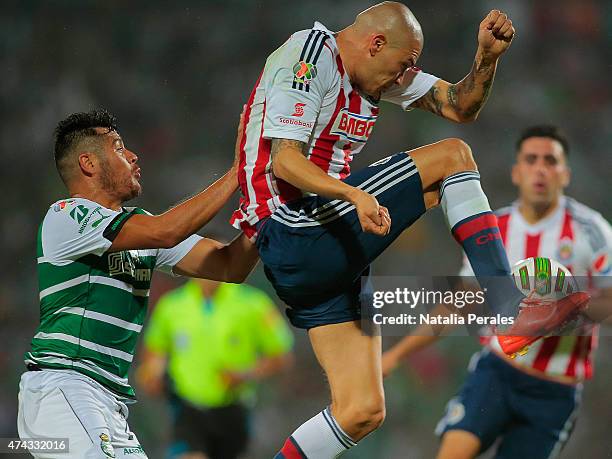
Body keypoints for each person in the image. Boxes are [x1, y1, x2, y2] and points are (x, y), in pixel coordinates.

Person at [228, 2, 590, 457]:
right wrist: (356, 196)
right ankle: (507, 307)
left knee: (361, 410)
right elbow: (285, 159)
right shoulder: (312, 54)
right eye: (403, 65)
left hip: (321, 251)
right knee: (453, 157)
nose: (406, 76)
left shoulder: (375, 72)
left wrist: (486, 59)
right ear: (375, 44)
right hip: (293, 227)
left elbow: (459, 106)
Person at [17, 109, 258, 459]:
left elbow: (230, 265)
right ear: (88, 163)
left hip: (108, 402)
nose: (132, 156)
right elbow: (166, 231)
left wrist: (267, 207)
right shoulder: (67, 215)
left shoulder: (138, 228)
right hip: (64, 385)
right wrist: (239, 172)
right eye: (118, 147)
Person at [382, 125, 612, 459]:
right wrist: (397, 354)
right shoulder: (494, 230)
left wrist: (566, 307)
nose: (541, 169)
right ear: (517, 172)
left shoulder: (593, 232)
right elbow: (463, 301)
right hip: (497, 372)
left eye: (551, 161)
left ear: (565, 174)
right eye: (531, 160)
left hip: (555, 390)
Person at [137, 277, 294, 459]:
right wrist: (152, 373)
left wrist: (245, 374)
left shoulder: (253, 303)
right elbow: (155, 350)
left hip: (233, 409)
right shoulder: (172, 305)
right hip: (188, 408)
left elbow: (281, 355)